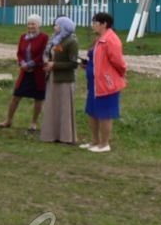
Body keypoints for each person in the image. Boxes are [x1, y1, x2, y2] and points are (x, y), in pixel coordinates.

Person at [81, 12, 127, 153]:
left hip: (106, 83)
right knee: (93, 112)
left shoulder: (111, 40)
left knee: (104, 113)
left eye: (95, 23)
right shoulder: (98, 39)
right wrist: (88, 65)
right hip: (94, 82)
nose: (93, 26)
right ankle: (95, 141)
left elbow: (118, 62)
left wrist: (118, 75)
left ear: (104, 24)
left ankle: (104, 143)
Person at [0, 14, 49, 131]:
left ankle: (33, 123)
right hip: (25, 71)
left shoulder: (44, 37)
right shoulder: (23, 37)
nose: (31, 26)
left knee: (38, 98)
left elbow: (43, 54)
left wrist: (31, 64)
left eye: (33, 24)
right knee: (16, 95)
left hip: (38, 72)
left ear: (38, 25)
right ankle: (8, 120)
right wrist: (22, 63)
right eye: (29, 24)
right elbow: (19, 52)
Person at [40, 17, 79, 145]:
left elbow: (73, 63)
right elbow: (51, 54)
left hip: (64, 79)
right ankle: (52, 134)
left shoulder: (71, 42)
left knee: (64, 108)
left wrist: (54, 65)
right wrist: (48, 62)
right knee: (53, 106)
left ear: (64, 27)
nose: (54, 27)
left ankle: (66, 136)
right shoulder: (57, 40)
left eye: (57, 25)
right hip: (53, 77)